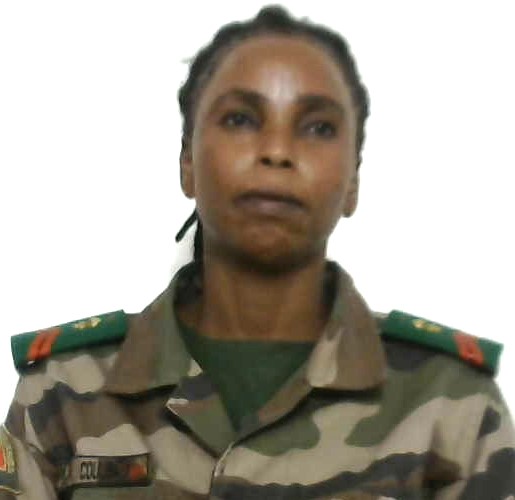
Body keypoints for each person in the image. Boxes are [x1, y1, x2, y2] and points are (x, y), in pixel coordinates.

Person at [1, 5, 514, 499]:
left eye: (318, 127)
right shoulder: (63, 391)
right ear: (186, 163)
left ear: (353, 182)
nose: (276, 151)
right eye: (240, 119)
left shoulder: (452, 404)